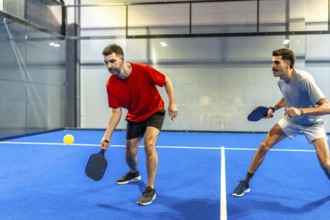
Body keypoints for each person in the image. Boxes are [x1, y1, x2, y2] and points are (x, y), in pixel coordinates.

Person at [232, 48, 330, 197]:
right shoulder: (281, 82)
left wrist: (301, 110)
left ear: (288, 63)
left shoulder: (304, 79)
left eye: (276, 62)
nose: (272, 65)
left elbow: (327, 107)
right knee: (264, 145)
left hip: (313, 123)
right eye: (272, 62)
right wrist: (273, 108)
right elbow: (287, 97)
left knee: (326, 164)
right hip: (291, 120)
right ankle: (245, 182)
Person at [100, 44, 178, 205]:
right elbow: (116, 112)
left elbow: (166, 81)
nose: (109, 66)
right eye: (106, 62)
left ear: (122, 58)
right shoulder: (111, 85)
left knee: (149, 144)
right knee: (129, 155)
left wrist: (172, 102)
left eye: (112, 61)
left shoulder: (143, 70)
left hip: (154, 111)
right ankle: (134, 173)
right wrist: (107, 136)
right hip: (135, 116)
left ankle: (150, 187)